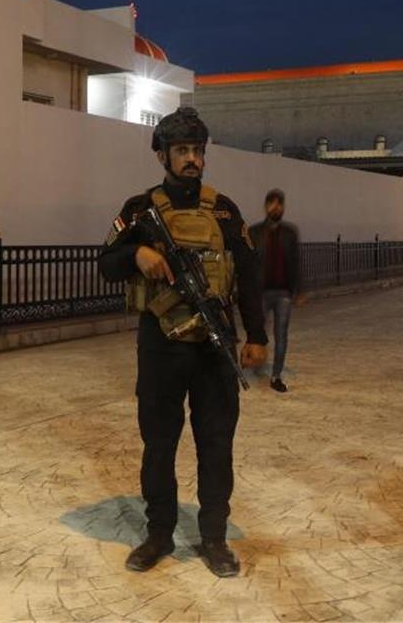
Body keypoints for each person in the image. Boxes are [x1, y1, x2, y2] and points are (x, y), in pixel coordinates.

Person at [97, 107, 268, 578]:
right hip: (161, 346)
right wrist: (138, 252)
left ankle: (213, 537)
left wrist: (256, 336)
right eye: (181, 151)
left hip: (214, 345)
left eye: (197, 151)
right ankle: (158, 535)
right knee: (159, 444)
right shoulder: (138, 210)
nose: (192, 159)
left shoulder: (225, 210)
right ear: (162, 156)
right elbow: (105, 262)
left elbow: (250, 277)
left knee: (216, 444)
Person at [249, 189, 307, 393]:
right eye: (272, 204)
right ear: (266, 206)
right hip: (261, 292)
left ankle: (276, 375)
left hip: (283, 292)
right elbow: (248, 264)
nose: (276, 208)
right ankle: (256, 365)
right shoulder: (255, 232)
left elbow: (296, 262)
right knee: (257, 332)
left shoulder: (289, 233)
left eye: (279, 204)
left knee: (281, 335)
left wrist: (299, 290)